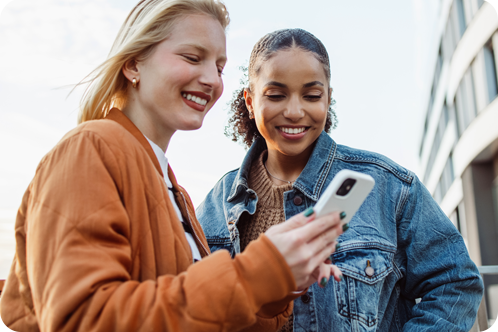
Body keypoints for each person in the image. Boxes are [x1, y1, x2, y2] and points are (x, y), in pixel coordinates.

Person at [0, 3, 346, 331]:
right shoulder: (90, 148)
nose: (212, 79)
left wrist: (276, 287)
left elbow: (192, 316)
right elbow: (82, 320)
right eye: (193, 57)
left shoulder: (169, 186)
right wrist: (257, 271)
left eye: (219, 67)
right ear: (134, 64)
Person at [197, 28, 484, 331]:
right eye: (276, 95)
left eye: (311, 95)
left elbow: (455, 283)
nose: (294, 111)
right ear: (250, 101)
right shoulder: (215, 207)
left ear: (328, 98)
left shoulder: (389, 188)